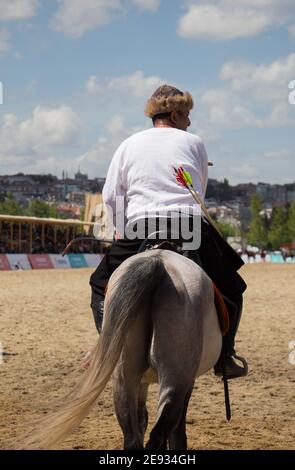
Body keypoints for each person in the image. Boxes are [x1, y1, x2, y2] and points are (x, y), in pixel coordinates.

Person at [89, 84, 248, 379]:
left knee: (99, 284)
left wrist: (122, 231)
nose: (189, 121)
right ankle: (225, 356)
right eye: (186, 115)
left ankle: (106, 347)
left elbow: (111, 196)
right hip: (188, 228)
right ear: (175, 114)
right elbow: (198, 189)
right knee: (233, 288)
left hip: (141, 228)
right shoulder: (194, 143)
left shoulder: (127, 144)